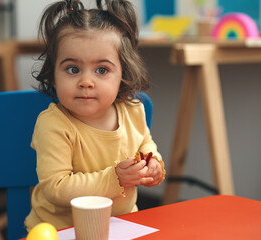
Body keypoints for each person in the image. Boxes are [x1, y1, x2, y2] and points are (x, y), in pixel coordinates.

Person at [25, 0, 165, 231]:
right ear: (53, 74)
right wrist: (115, 179)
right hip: (62, 230)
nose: (86, 82)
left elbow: (145, 145)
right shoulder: (53, 124)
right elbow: (56, 188)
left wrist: (153, 165)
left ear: (123, 73)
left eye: (102, 70)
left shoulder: (133, 110)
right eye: (72, 69)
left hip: (122, 226)